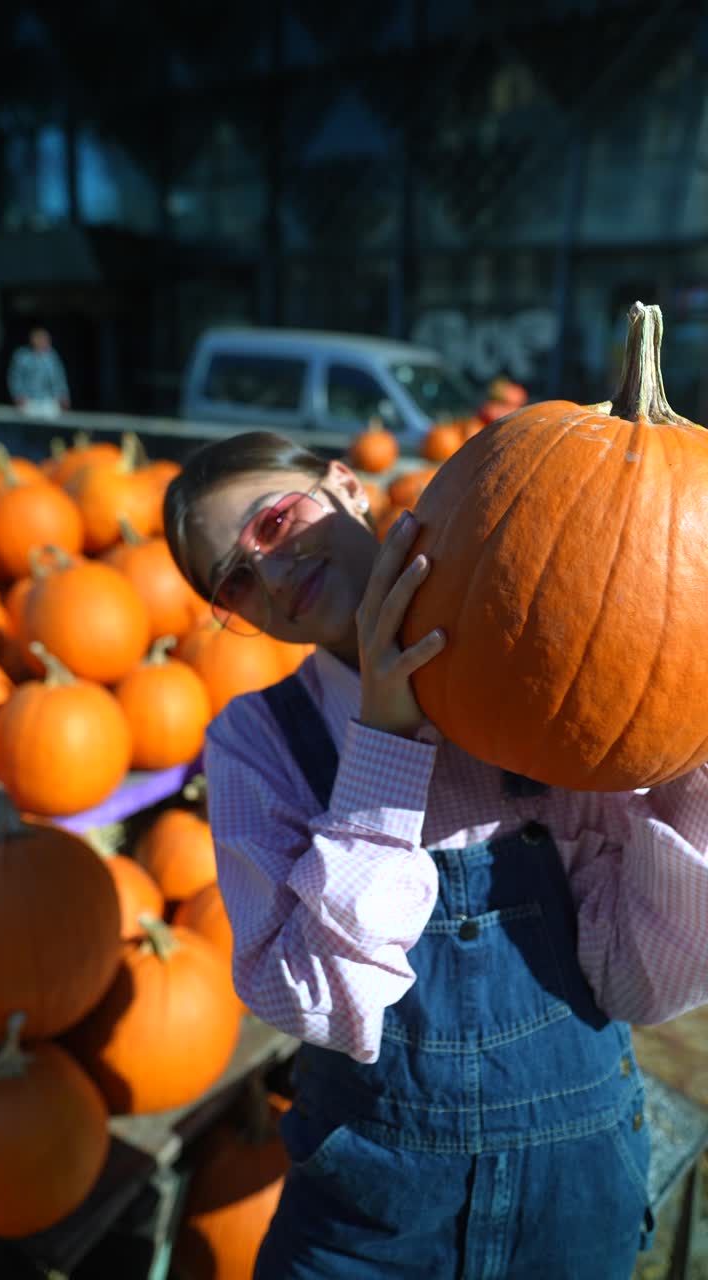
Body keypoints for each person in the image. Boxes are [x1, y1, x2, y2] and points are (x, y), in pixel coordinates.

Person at [163, 430, 708, 1280]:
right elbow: (321, 1002)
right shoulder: (256, 742)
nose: (268, 574)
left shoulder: (557, 677)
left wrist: (696, 750)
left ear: (345, 483)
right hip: (368, 1217)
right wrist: (383, 744)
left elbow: (639, 982)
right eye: (233, 578)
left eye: (273, 522)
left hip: (573, 1200)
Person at [7, 327, 70, 418]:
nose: (43, 341)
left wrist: (63, 396)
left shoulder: (52, 357)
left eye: (45, 339)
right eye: (40, 338)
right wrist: (18, 395)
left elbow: (59, 378)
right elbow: (15, 378)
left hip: (49, 401)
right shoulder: (22, 356)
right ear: (33, 340)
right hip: (28, 400)